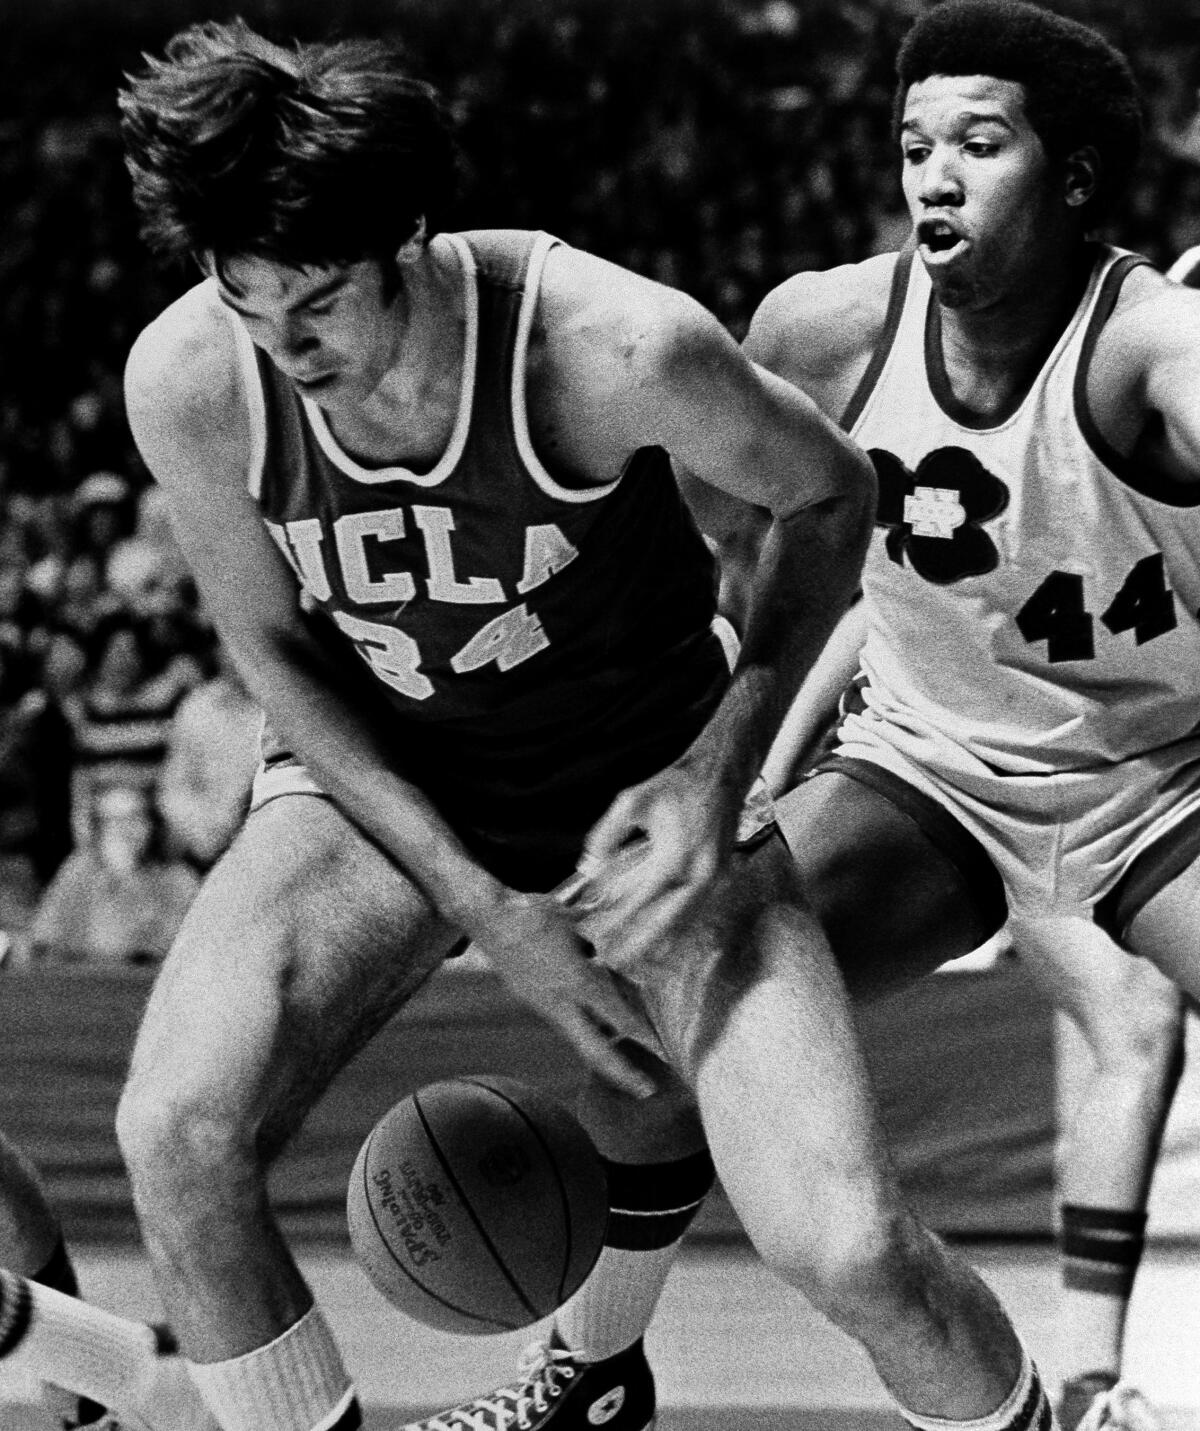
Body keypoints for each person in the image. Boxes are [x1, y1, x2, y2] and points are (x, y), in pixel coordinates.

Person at [106, 19, 1062, 1431]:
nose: (279, 342)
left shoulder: (613, 345)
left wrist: (713, 772)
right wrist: (485, 905)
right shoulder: (191, 376)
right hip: (384, 775)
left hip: (640, 778)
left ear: (409, 239)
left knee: (850, 1248)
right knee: (174, 1133)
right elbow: (270, 648)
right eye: (241, 297)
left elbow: (833, 495)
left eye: (312, 303)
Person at [415, 4, 1200, 1431]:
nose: (934, 176)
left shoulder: (1157, 352)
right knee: (657, 1005)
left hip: (1160, 777)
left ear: (1077, 178)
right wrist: (720, 767)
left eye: (981, 142)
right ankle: (590, 1374)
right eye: (913, 145)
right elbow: (752, 554)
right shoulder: (818, 325)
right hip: (932, 773)